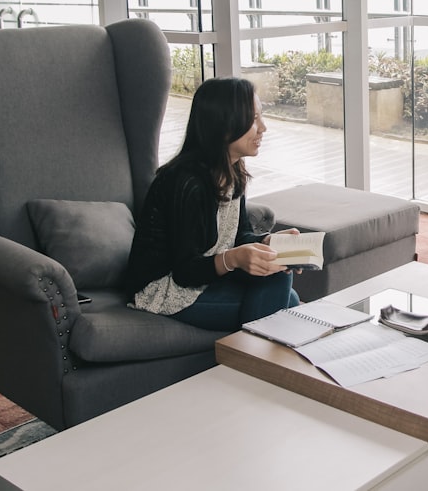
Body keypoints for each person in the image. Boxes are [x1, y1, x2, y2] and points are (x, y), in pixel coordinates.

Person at [125, 77, 299, 331]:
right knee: (281, 295)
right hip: (166, 287)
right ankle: (251, 364)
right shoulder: (185, 182)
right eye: (253, 119)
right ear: (224, 125)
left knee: (279, 278)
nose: (263, 128)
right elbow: (185, 270)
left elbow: (236, 236)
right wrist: (234, 259)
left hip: (207, 277)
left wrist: (265, 243)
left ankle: (253, 361)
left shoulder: (233, 170)